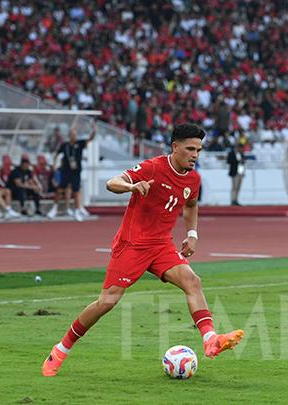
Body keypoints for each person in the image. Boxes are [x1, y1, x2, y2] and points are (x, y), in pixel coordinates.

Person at [42, 123, 243, 377]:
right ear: (175, 147)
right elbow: (112, 182)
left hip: (161, 245)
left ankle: (210, 339)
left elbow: (191, 206)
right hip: (132, 245)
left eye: (199, 150)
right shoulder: (153, 167)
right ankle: (61, 349)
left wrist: (192, 234)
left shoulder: (193, 178)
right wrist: (131, 187)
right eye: (190, 149)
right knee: (107, 302)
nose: (195, 155)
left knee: (193, 281)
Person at [47, 122, 96, 221]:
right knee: (60, 190)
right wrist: (54, 164)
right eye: (72, 135)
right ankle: (54, 209)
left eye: (75, 135)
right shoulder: (65, 145)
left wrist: (94, 130)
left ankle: (77, 211)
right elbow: (57, 154)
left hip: (76, 172)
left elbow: (90, 139)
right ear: (69, 136)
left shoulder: (80, 143)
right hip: (66, 171)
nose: (73, 136)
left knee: (76, 192)